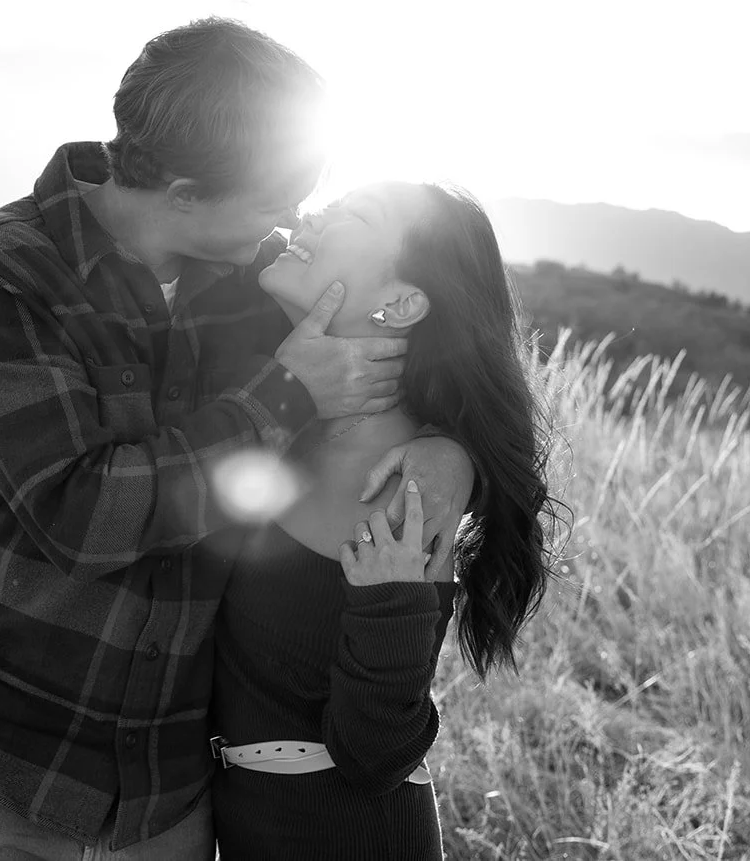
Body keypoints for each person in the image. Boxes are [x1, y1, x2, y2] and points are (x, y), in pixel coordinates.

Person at [0, 18, 478, 859]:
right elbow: (80, 513)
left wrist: (451, 456)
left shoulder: (259, 276)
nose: (291, 222)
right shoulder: (2, 269)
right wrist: (288, 390)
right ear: (187, 193)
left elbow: (427, 345)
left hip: (168, 787)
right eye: (275, 204)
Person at [206, 181, 562, 860]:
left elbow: (377, 755)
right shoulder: (282, 417)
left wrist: (396, 602)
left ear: (399, 304)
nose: (314, 217)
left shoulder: (405, 490)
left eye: (354, 216)